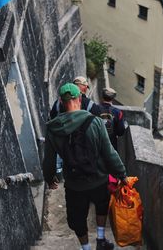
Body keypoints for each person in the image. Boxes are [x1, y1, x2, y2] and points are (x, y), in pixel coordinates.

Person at [43, 83, 127, 250]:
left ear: (60, 101)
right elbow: (109, 153)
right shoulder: (95, 122)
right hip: (98, 178)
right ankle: (101, 239)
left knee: (77, 219)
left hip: (74, 184)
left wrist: (49, 178)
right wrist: (122, 175)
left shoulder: (53, 129)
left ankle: (86, 248)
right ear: (79, 98)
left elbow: (49, 160)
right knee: (102, 205)